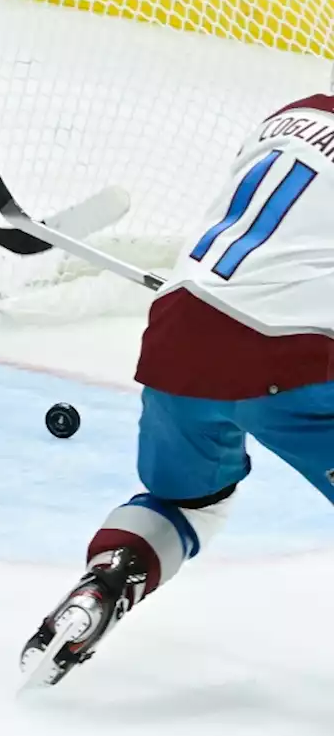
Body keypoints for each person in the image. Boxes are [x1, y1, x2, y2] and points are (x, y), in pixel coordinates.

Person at [21, 92, 334, 685]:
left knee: (189, 501)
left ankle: (110, 577)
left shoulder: (294, 113)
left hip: (178, 334)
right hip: (291, 358)